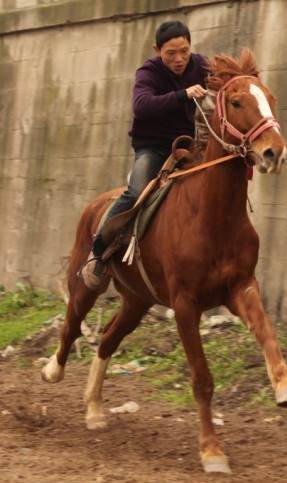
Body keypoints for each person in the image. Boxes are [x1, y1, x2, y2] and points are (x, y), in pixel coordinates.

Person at [82, 20, 209, 290]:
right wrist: (182, 94)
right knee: (135, 191)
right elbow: (141, 106)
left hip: (191, 145)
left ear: (191, 46)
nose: (179, 59)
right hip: (154, 147)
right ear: (157, 49)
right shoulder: (148, 72)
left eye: (184, 51)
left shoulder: (202, 65)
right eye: (171, 53)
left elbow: (230, 81)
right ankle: (99, 251)